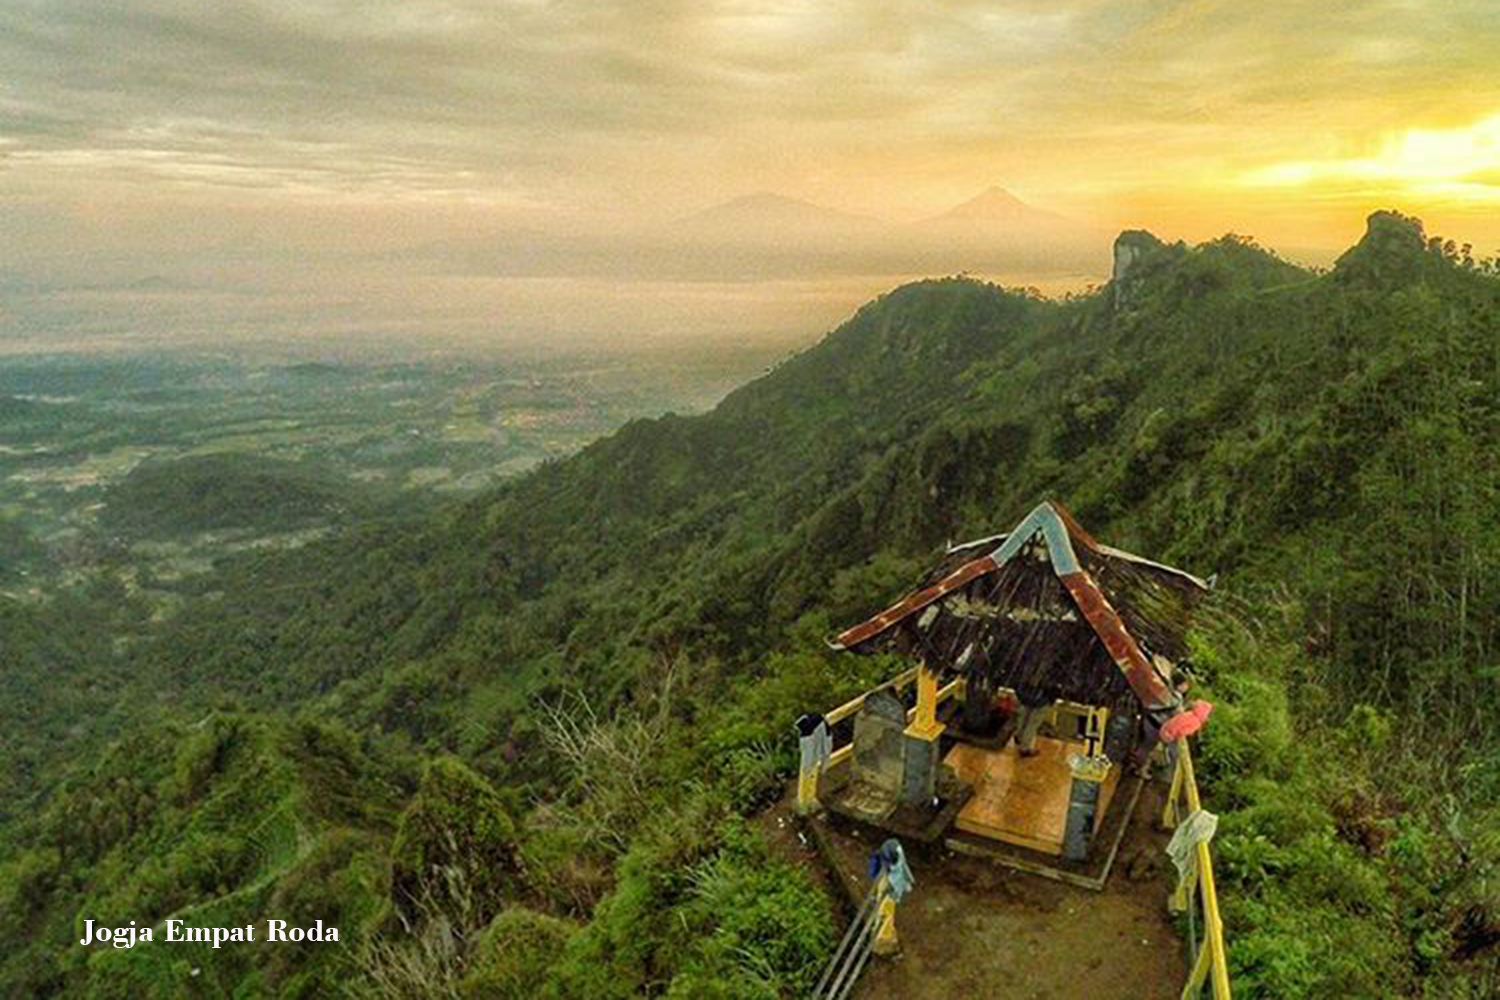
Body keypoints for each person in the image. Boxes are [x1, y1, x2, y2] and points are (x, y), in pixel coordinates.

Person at [1012, 684, 1054, 758]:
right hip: (1041, 699)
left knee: (1023, 717)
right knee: (1033, 723)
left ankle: (1019, 736)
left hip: (1025, 694)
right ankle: (1025, 748)